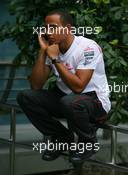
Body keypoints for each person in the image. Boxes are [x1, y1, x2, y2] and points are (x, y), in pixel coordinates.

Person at [16, 9, 111, 163]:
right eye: (46, 28)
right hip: (66, 100)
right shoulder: (52, 48)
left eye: (53, 27)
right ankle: (61, 137)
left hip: (94, 103)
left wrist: (55, 59)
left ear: (67, 29)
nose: (48, 32)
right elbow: (35, 85)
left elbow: (79, 87)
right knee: (26, 97)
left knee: (70, 101)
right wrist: (43, 52)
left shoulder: (87, 47)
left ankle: (88, 143)